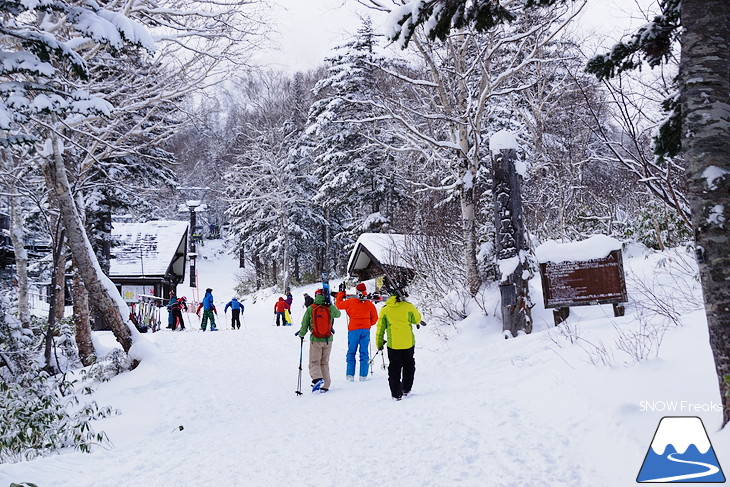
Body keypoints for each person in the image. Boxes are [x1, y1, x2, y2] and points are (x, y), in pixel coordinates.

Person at [376, 293, 423, 400]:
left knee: (394, 368)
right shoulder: (408, 306)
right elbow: (417, 320)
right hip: (408, 343)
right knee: (409, 365)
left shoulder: (385, 310)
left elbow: (380, 328)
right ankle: (406, 389)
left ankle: (396, 393)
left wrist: (379, 342)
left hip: (393, 345)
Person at [296, 289, 341, 393]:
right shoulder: (329, 307)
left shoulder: (311, 308)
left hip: (315, 339)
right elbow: (338, 314)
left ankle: (317, 378)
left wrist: (301, 334)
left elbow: (305, 324)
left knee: (314, 361)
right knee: (324, 362)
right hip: (328, 339)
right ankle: (326, 384)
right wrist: (331, 304)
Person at [336, 283, 378, 381]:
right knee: (364, 352)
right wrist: (368, 324)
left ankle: (350, 375)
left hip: (354, 329)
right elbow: (375, 318)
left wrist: (340, 294)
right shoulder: (369, 303)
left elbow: (338, 305)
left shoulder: (351, 301)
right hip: (365, 330)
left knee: (351, 351)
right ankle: (363, 375)